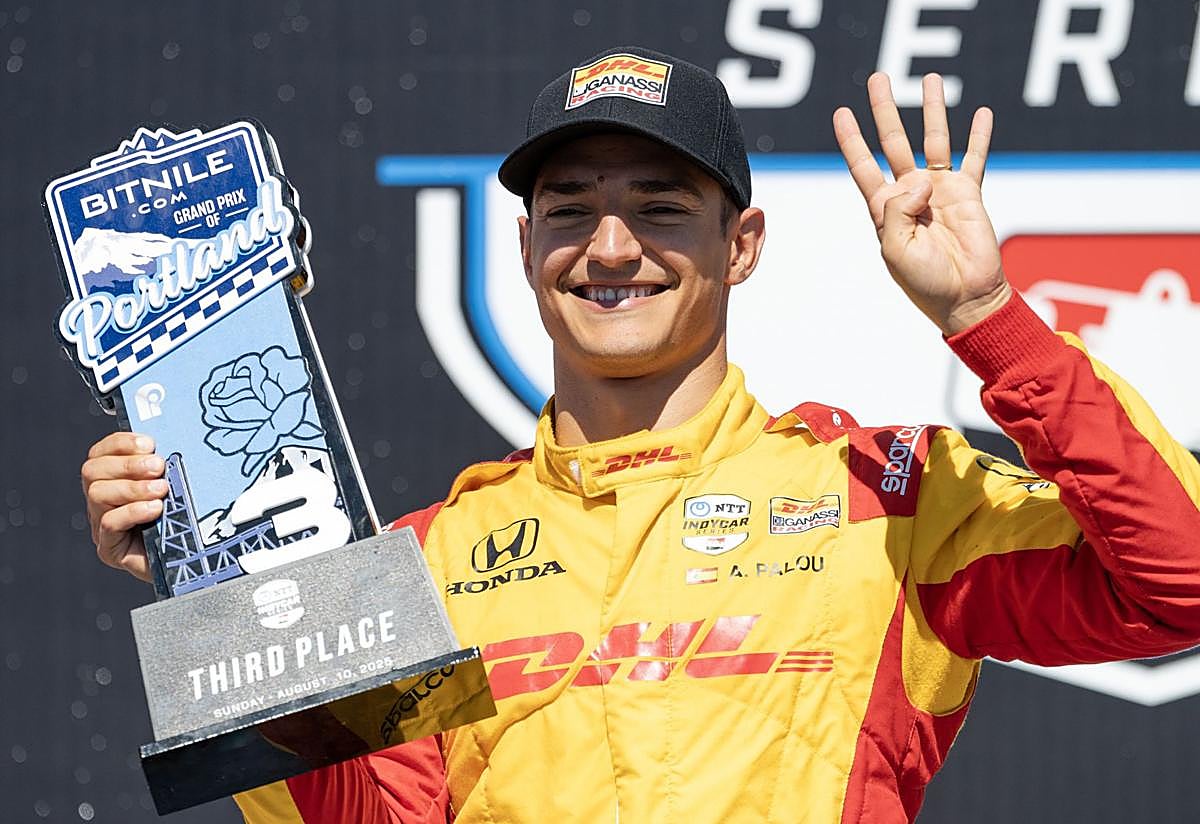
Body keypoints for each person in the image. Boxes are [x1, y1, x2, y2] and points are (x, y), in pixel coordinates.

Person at [81, 46, 1200, 823]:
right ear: (526, 248)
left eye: (662, 207)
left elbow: (1179, 581)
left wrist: (984, 322)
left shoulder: (890, 503)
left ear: (742, 243)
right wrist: (224, 590)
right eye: (571, 209)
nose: (611, 247)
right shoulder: (416, 565)